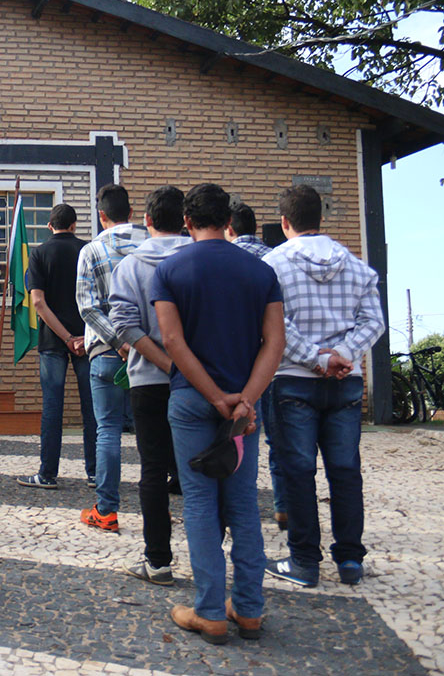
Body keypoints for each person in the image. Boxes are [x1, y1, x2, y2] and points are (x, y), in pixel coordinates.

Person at [152, 183, 285, 644]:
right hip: (245, 406)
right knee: (244, 503)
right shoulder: (261, 271)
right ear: (229, 221)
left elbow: (172, 342)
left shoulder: (169, 270)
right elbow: (276, 344)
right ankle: (248, 609)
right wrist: (244, 400)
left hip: (192, 400)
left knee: (201, 503)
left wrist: (213, 396)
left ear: (187, 222)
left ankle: (209, 611)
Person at [263, 185, 385, 588]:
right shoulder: (355, 265)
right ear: (321, 217)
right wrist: (343, 355)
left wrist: (317, 357)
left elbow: (275, 325)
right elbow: (374, 322)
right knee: (346, 471)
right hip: (346, 382)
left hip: (295, 380)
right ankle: (350, 561)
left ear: (285, 223)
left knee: (298, 472)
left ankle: (304, 562)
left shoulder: (274, 264)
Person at [109, 185, 190, 583]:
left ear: (148, 222)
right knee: (202, 466)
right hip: (200, 382)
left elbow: (123, 324)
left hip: (147, 379)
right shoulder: (199, 262)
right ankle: (212, 546)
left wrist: (165, 364)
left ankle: (157, 559)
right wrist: (187, 369)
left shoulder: (130, 266)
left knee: (153, 470)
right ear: (187, 221)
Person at [75, 184, 148, 532]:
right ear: (131, 214)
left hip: (106, 353)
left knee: (107, 430)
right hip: (150, 354)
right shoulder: (150, 245)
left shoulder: (92, 249)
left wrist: (120, 342)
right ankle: (158, 506)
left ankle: (106, 509)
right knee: (153, 430)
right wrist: (138, 342)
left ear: (101, 216)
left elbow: (86, 306)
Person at [16, 203, 96, 490]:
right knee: (92, 407)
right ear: (74, 225)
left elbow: (38, 302)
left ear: (50, 226)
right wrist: (81, 337)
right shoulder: (89, 250)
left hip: (53, 340)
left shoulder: (39, 253)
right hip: (88, 340)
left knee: (52, 407)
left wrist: (65, 337)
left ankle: (48, 474)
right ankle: (95, 473)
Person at [224, 201, 287, 530]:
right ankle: (282, 505)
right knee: (276, 438)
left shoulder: (228, 259)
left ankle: (232, 505)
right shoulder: (274, 258)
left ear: (229, 227)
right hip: (273, 363)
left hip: (236, 362)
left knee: (236, 433)